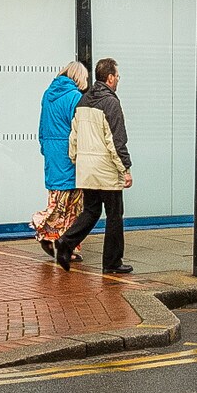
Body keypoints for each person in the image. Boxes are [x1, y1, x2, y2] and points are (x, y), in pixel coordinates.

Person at [55, 58, 133, 277]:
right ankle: (112, 263)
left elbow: (74, 136)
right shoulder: (111, 103)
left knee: (91, 211)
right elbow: (116, 141)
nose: (118, 79)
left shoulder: (83, 101)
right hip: (106, 170)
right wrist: (125, 168)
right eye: (117, 76)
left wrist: (75, 159)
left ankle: (65, 242)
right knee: (115, 215)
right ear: (109, 77)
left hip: (87, 169)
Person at [32, 60, 89, 257]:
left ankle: (57, 241)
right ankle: (48, 232)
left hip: (51, 152)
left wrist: (45, 147)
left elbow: (41, 126)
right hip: (68, 154)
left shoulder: (48, 94)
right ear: (79, 77)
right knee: (73, 204)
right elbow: (78, 130)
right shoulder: (75, 97)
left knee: (57, 197)